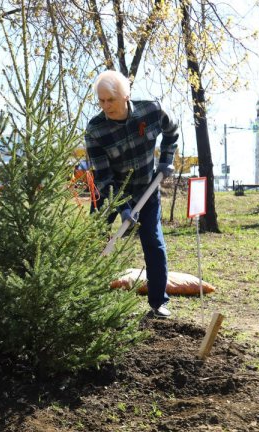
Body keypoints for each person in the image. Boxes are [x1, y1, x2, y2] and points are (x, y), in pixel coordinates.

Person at [84, 70, 178, 319]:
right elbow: (103, 177)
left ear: (126, 96)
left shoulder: (152, 111)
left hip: (146, 187)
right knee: (95, 239)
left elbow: (172, 130)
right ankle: (87, 297)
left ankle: (158, 304)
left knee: (153, 241)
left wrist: (167, 160)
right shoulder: (95, 130)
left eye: (110, 100)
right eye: (101, 101)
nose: (106, 106)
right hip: (108, 192)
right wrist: (122, 206)